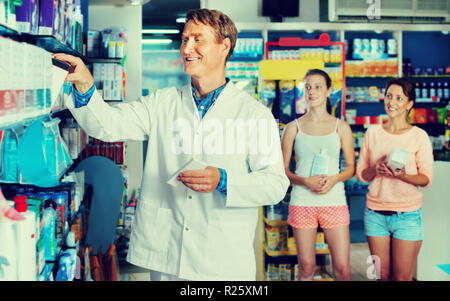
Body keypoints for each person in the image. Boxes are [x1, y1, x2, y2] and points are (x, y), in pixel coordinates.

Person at [53, 8, 289, 281]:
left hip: (222, 258)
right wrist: (85, 85)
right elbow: (108, 125)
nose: (187, 47)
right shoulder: (162, 103)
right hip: (168, 254)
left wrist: (224, 180)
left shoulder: (254, 114)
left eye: (198, 39)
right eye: (185, 39)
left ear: (224, 46)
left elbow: (275, 185)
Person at [356, 78, 433, 281]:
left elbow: (426, 179)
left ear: (409, 104)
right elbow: (362, 174)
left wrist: (404, 176)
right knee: (381, 276)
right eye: (389, 96)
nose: (392, 102)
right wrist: (376, 170)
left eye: (399, 98)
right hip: (375, 215)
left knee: (402, 278)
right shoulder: (372, 133)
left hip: (407, 216)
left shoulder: (419, 136)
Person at [281, 69, 355, 281]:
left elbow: (350, 168)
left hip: (334, 201)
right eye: (308, 87)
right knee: (306, 267)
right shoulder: (293, 128)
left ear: (329, 91)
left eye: (317, 86)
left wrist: (333, 179)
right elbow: (283, 171)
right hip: (302, 202)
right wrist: (305, 181)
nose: (311, 91)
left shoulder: (341, 127)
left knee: (342, 268)